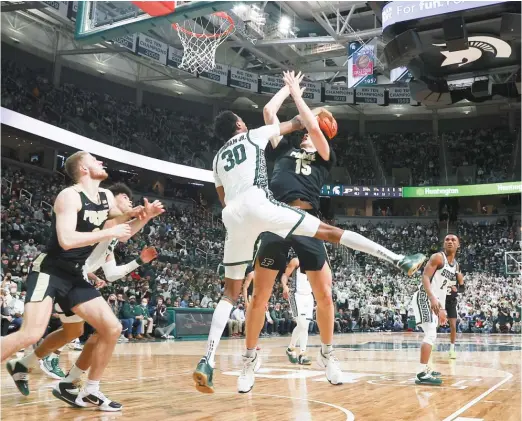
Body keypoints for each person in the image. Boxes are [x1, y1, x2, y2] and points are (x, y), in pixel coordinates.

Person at [193, 71, 426, 394]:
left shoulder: (324, 155)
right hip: (273, 216)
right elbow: (269, 115)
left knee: (325, 294)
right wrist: (288, 92)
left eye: (311, 133)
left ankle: (327, 356)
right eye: (303, 133)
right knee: (259, 297)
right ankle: (248, 361)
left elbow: (312, 127)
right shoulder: (284, 145)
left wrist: (303, 103)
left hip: (303, 217)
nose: (305, 135)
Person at [1, 151, 153, 411]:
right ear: (83, 168)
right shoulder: (69, 196)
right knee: (32, 332)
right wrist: (111, 229)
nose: (101, 162)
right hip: (50, 271)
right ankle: (26, 364)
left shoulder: (104, 196)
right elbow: (67, 240)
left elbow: (121, 220)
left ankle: (87, 389)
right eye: (95, 160)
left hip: (75, 276)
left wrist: (142, 213)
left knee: (111, 329)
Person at [412, 234, 460, 386]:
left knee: (432, 333)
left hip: (436, 301)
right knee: (431, 333)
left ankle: (425, 368)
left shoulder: (456, 266)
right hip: (424, 297)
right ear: (443, 243)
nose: (450, 241)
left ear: (458, 245)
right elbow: (425, 277)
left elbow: (444, 289)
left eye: (453, 240)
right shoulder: (438, 258)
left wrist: (442, 309)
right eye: (447, 239)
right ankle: (421, 373)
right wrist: (432, 297)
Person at [283, 257, 313, 365]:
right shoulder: (296, 261)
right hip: (296, 296)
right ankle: (293, 350)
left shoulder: (315, 261)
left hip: (309, 296)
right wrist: (284, 286)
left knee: (305, 326)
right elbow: (285, 275)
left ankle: (300, 353)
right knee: (302, 324)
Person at [446, 255, 464, 359]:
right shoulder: (441, 273)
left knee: (453, 325)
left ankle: (452, 349)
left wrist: (457, 289)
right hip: (441, 300)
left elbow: (462, 289)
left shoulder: (458, 275)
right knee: (437, 324)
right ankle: (432, 343)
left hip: (451, 302)